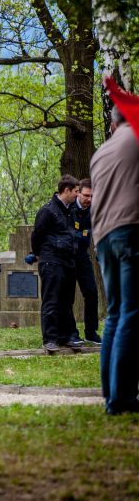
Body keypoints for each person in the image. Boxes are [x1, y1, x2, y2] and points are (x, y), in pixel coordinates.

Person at [90, 104, 139, 415]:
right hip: (130, 231)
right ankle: (121, 397)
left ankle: (111, 394)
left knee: (115, 314)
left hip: (104, 237)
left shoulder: (101, 152)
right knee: (132, 312)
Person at [27, 175, 84, 352]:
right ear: (66, 190)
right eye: (76, 192)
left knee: (67, 301)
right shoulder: (48, 211)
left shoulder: (72, 211)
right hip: (52, 261)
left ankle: (68, 336)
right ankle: (50, 339)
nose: (77, 196)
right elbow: (37, 236)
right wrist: (39, 254)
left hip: (68, 261)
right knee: (51, 300)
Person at [71, 179, 101, 345]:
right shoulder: (69, 208)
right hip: (67, 257)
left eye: (92, 196)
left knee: (91, 292)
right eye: (86, 195)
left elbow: (98, 231)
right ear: (78, 193)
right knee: (68, 296)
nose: (88, 199)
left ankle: (91, 332)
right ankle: (71, 333)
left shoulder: (94, 211)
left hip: (83, 256)